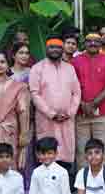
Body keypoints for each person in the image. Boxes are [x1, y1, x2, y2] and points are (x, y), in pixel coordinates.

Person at [30, 38, 82, 173]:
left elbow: (76, 93)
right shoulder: (37, 68)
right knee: (46, 153)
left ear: (62, 50)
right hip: (46, 120)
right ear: (46, 49)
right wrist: (51, 114)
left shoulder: (69, 68)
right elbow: (35, 94)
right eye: (52, 47)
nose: (55, 50)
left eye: (58, 47)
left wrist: (70, 112)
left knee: (65, 155)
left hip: (66, 119)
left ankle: (66, 189)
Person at [72, 33, 105, 170]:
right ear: (84, 43)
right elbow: (70, 84)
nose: (92, 44)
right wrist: (81, 104)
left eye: (96, 41)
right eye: (89, 41)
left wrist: (93, 104)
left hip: (103, 114)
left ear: (100, 44)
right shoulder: (76, 61)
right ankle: (84, 184)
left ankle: (102, 184)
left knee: (103, 149)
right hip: (81, 114)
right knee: (82, 151)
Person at [0, 50, 31, 176]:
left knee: (9, 164)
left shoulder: (18, 86)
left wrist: (24, 134)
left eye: (2, 62)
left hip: (9, 131)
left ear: (7, 65)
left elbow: (23, 111)